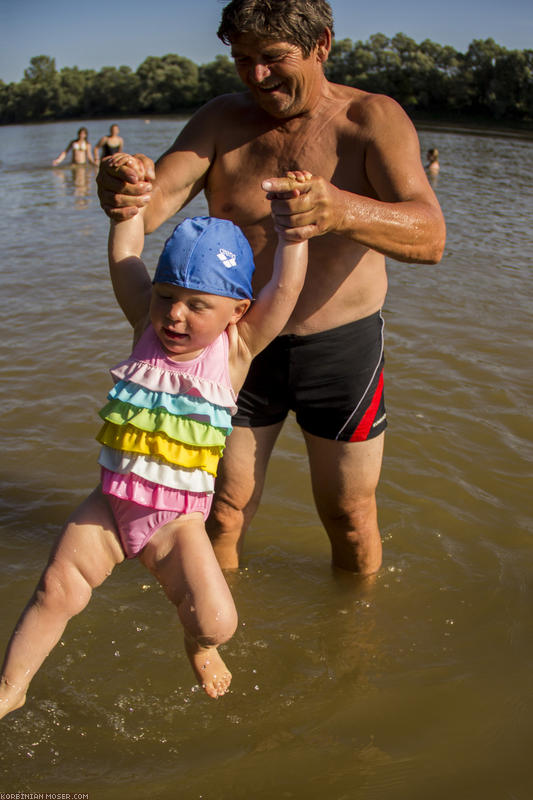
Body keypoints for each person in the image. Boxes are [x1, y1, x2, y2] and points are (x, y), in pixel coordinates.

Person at [96, 0, 446, 578]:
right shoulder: (219, 121)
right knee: (223, 514)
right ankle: (214, 641)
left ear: (321, 46)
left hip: (339, 351)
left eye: (273, 58)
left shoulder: (372, 120)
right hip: (235, 350)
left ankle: (351, 653)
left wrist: (339, 208)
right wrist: (123, 186)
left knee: (350, 517)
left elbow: (431, 236)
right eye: (243, 59)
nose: (256, 76)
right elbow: (150, 205)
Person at [0, 158, 309, 718]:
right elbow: (125, 258)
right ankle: (11, 687)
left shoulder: (236, 351)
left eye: (198, 305)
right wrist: (129, 209)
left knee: (217, 621)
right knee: (55, 591)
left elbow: (285, 290)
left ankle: (197, 647)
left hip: (178, 521)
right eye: (166, 296)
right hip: (110, 507)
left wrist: (293, 232)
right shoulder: (144, 323)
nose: (175, 315)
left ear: (237, 310)